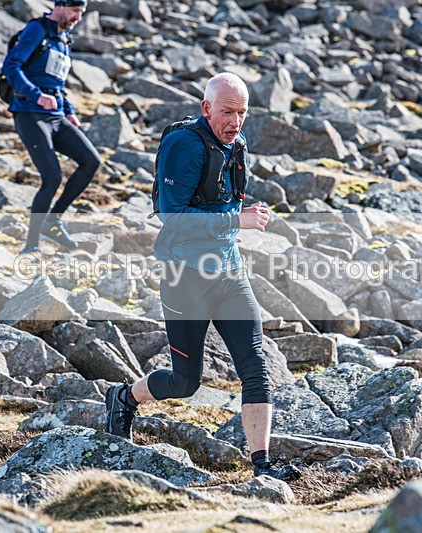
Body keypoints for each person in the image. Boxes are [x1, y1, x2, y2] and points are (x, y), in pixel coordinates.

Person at [105, 73, 301, 482]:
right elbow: (172, 216)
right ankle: (123, 397)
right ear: (206, 108)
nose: (235, 121)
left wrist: (242, 219)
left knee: (256, 367)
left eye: (242, 113)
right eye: (227, 111)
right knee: (185, 382)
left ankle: (262, 467)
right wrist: (236, 220)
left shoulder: (238, 145)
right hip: (185, 277)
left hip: (229, 273)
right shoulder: (183, 145)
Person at [0, 0, 100, 254]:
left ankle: (53, 220)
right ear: (60, 6)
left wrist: (69, 111)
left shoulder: (65, 39)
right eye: (75, 11)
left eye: (82, 12)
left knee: (91, 161)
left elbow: (57, 84)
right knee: (52, 177)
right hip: (29, 113)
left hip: (56, 116)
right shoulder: (37, 29)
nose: (79, 17)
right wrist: (35, 95)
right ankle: (31, 246)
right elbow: (11, 67)